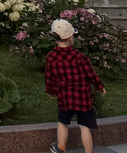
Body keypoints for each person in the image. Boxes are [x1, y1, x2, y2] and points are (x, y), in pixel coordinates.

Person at [45, 17, 105, 153]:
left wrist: (51, 91)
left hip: (65, 97)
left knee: (63, 122)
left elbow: (49, 78)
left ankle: (60, 147)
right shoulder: (78, 56)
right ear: (71, 37)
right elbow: (90, 74)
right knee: (85, 127)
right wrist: (99, 86)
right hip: (83, 97)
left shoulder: (51, 57)